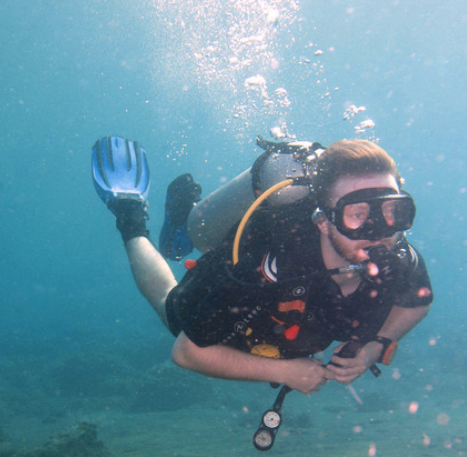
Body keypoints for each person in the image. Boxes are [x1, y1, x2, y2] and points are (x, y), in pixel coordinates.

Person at [93, 136, 433, 397]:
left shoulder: (399, 256)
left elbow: (417, 302)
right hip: (237, 278)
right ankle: (131, 215)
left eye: (393, 211)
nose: (380, 231)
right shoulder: (271, 267)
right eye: (357, 215)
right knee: (172, 308)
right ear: (323, 221)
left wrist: (375, 347)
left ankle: (184, 213)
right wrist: (287, 373)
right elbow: (186, 353)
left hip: (285, 330)